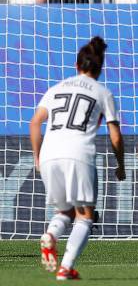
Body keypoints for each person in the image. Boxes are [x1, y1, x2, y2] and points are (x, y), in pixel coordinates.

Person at [30, 37, 125, 280]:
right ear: (100, 68)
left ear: (76, 65)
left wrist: (38, 157)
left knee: (65, 211)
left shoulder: (56, 88)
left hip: (50, 154)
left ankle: (51, 235)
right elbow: (115, 135)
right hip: (78, 153)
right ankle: (66, 267)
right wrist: (120, 164)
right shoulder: (102, 92)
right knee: (85, 215)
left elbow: (35, 122)